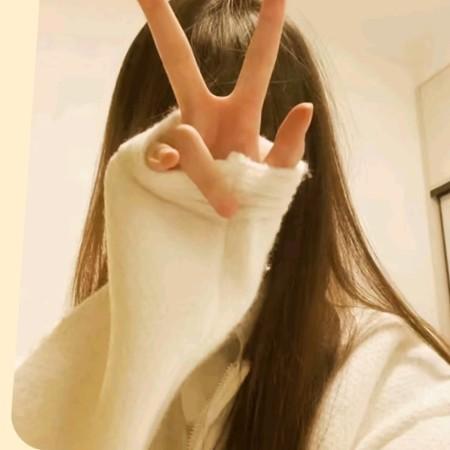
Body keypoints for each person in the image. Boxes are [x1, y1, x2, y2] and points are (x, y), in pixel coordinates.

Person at [11, 0, 450, 449]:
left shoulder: (390, 378)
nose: (206, 179)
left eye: (257, 154)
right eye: (177, 160)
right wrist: (148, 318)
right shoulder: (80, 371)